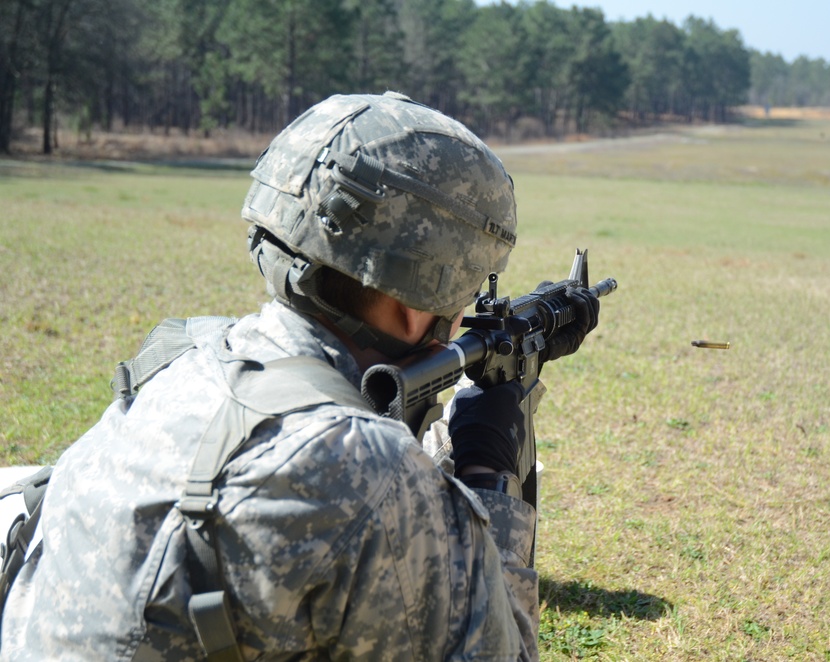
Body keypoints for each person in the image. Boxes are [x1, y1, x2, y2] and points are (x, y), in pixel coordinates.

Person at [0, 92, 599, 661]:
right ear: (416, 302)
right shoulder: (368, 470)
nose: (468, 305)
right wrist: (489, 469)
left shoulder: (183, 355)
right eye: (470, 286)